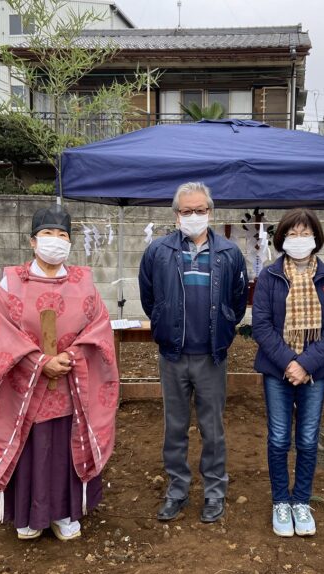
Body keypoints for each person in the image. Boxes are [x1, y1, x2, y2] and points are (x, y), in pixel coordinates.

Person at [0, 204, 119, 541]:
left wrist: (71, 356)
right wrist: (38, 362)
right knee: (31, 448)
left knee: (65, 447)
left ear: (70, 243)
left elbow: (99, 328)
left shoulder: (85, 284)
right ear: (32, 242)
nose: (55, 241)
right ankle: (29, 515)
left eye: (62, 235)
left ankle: (65, 513)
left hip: (70, 381)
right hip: (24, 385)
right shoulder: (11, 284)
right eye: (48, 234)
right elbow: (0, 334)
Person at [138, 182, 248, 524]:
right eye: (187, 211)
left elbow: (238, 301)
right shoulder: (158, 252)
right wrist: (162, 322)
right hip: (172, 356)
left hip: (211, 356)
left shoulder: (229, 254)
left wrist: (226, 328)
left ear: (210, 212)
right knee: (175, 427)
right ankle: (177, 490)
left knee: (212, 429)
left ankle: (214, 492)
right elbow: (148, 297)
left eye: (200, 210)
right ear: (176, 216)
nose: (194, 216)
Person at [251, 208, 324, 537]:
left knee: (307, 438)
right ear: (282, 239)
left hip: (315, 371)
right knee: (278, 438)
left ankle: (301, 501)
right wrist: (289, 362)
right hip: (278, 369)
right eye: (293, 233)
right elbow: (261, 326)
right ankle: (281, 501)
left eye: (306, 233)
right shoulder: (269, 275)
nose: (299, 239)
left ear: (316, 238)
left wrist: (306, 364)